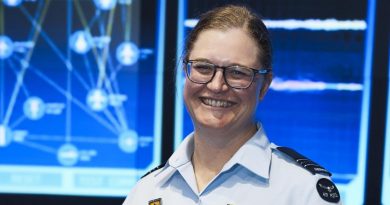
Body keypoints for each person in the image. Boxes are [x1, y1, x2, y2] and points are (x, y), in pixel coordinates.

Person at [123, 4, 341, 205]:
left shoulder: (304, 192)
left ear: (264, 85)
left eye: (237, 73)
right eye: (203, 68)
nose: (217, 86)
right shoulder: (146, 192)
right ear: (185, 71)